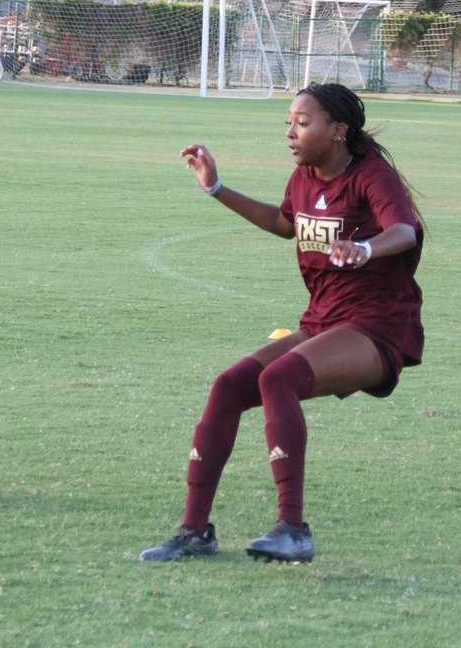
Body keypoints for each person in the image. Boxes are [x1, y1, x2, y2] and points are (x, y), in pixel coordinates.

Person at [139, 83, 423, 563]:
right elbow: (284, 223)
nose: (291, 132)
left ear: (338, 131)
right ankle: (195, 532)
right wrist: (216, 188)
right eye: (288, 122)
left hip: (378, 327)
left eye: (302, 123)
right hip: (323, 321)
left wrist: (367, 247)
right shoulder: (304, 177)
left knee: (279, 378)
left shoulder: (372, 176)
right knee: (228, 386)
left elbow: (404, 229)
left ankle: (293, 530)